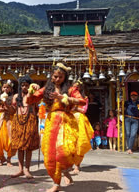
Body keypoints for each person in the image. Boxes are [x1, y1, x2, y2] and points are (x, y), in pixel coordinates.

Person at [27, 62, 87, 192]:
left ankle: (65, 173)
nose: (57, 79)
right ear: (51, 76)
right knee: (50, 154)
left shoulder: (71, 90)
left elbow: (82, 101)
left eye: (60, 77)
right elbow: (29, 101)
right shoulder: (46, 89)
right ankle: (56, 183)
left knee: (63, 153)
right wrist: (31, 90)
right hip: (51, 123)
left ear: (65, 77)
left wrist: (63, 97)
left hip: (66, 123)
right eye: (55, 76)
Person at [11, 75, 40, 179]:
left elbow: (38, 107)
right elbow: (12, 109)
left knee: (28, 147)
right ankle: (20, 169)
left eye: (27, 85)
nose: (24, 87)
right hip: (18, 121)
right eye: (22, 85)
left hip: (30, 121)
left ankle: (27, 169)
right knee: (19, 147)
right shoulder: (15, 97)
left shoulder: (32, 96)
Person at [70, 80, 93, 174]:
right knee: (69, 142)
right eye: (75, 87)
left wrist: (76, 108)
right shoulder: (69, 97)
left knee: (79, 143)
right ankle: (69, 164)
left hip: (80, 120)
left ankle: (77, 166)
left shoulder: (84, 98)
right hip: (70, 120)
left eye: (78, 87)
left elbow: (84, 110)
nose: (76, 89)